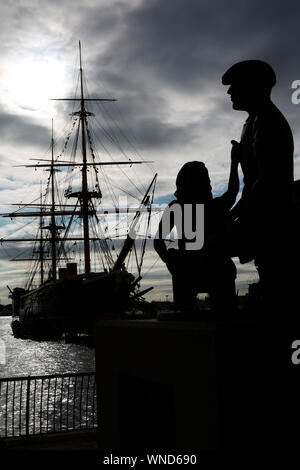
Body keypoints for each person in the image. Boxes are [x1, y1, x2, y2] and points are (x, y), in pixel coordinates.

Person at [220, 60, 295, 314]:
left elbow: (265, 181)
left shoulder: (267, 121)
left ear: (253, 87)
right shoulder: (253, 122)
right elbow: (250, 183)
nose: (229, 92)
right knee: (273, 280)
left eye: (235, 86)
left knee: (213, 250)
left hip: (271, 217)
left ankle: (224, 318)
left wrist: (238, 217)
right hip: (260, 214)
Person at [154, 148, 240, 315]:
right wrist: (169, 258)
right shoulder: (181, 208)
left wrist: (168, 257)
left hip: (205, 266)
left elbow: (232, 192)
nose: (208, 185)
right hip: (189, 266)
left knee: (223, 309)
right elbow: (232, 192)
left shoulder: (183, 207)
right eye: (205, 181)